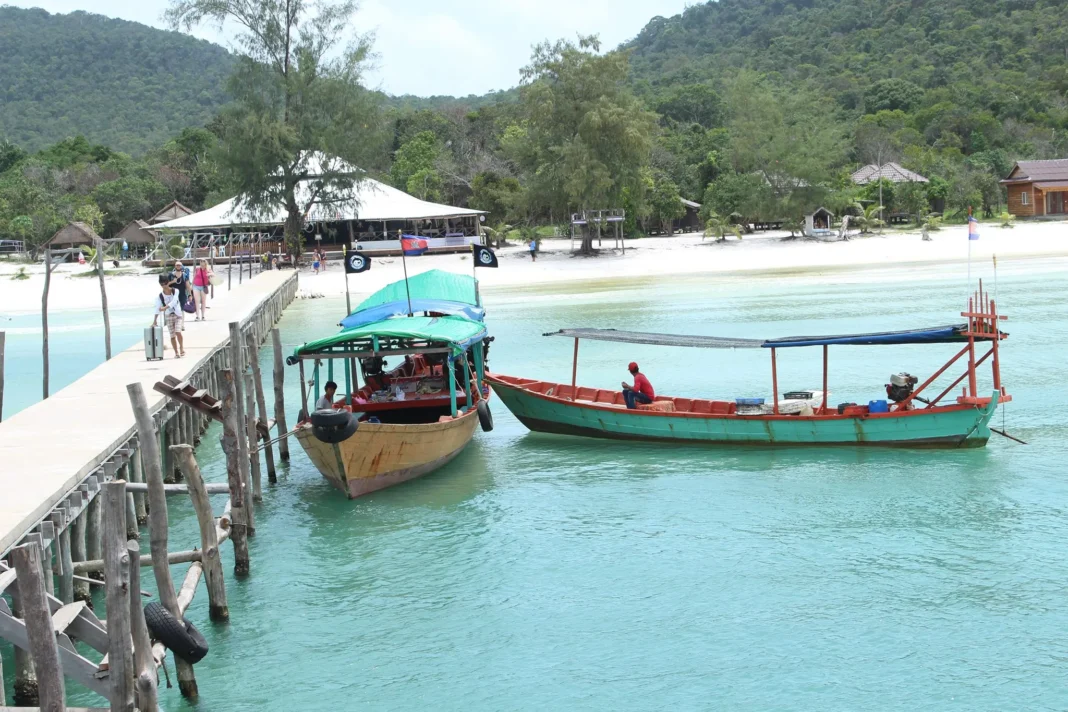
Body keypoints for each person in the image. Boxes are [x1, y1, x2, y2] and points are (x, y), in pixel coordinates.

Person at [153, 274, 185, 358]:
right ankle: (176, 352)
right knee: (172, 335)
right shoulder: (160, 296)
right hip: (168, 316)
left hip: (177, 314)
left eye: (165, 283)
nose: (163, 286)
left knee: (178, 331)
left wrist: (165, 307)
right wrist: (155, 320)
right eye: (161, 284)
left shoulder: (175, 291)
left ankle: (181, 347)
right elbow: (157, 308)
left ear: (168, 283)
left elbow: (174, 301)